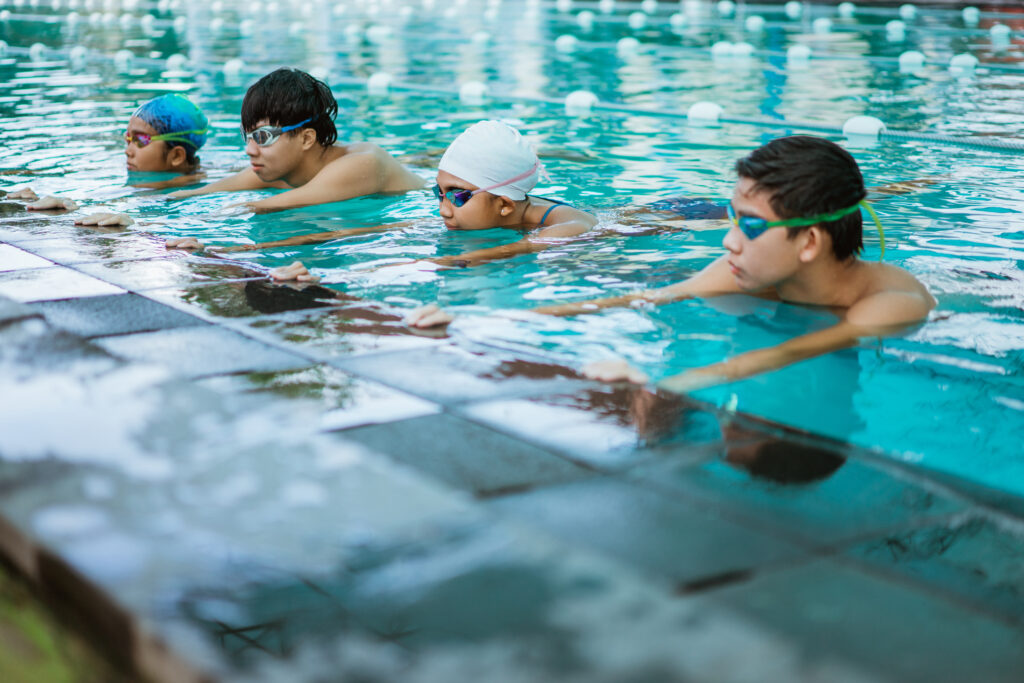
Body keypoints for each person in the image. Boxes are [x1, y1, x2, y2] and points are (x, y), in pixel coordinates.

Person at [538, 135, 937, 391]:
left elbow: (778, 356)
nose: (729, 240)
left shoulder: (889, 305)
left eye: (750, 225)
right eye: (732, 218)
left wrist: (661, 385)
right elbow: (641, 298)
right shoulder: (749, 272)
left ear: (809, 241)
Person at [172, 120, 598, 300]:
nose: (444, 208)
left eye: (459, 195)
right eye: (439, 193)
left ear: (505, 205)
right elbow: (376, 233)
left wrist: (346, 277)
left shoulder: (568, 229)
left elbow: (476, 257)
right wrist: (224, 250)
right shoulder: (479, 211)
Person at [164, 67, 424, 213]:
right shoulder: (279, 167)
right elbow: (197, 194)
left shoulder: (364, 163)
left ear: (306, 138)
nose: (249, 150)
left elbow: (249, 208)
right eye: (248, 137)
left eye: (262, 137)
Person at [3, 93, 210, 212]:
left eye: (140, 140)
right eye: (127, 138)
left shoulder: (178, 185)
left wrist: (74, 203)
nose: (128, 150)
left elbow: (126, 196)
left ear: (177, 156)